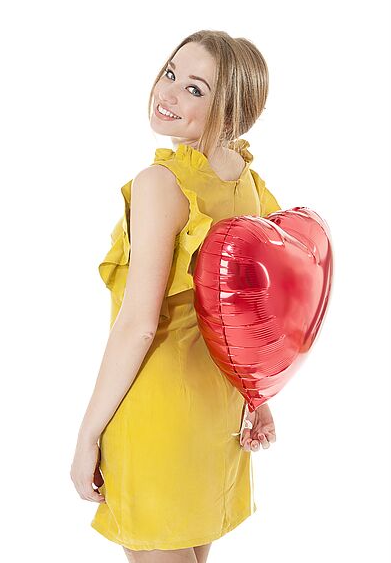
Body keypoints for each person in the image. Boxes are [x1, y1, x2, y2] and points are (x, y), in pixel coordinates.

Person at [70, 30, 281, 563]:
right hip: (217, 410)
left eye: (195, 89)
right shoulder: (246, 182)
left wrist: (88, 434)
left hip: (158, 413)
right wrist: (256, 397)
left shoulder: (160, 183)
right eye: (171, 74)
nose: (168, 94)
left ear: (230, 112)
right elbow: (255, 313)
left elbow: (139, 324)